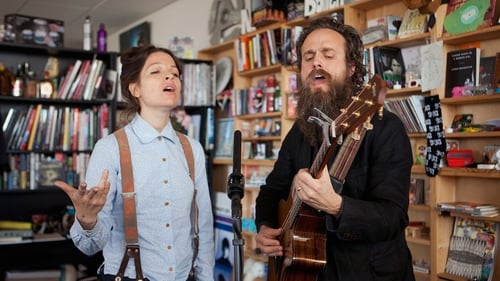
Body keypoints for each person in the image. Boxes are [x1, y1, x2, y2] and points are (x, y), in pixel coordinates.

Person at [254, 17, 415, 281]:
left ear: (352, 67)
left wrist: (337, 206)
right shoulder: (299, 131)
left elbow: (393, 217)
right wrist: (265, 228)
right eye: (308, 57)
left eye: (328, 55)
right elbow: (272, 191)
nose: (316, 62)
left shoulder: (386, 128)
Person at [55, 45, 214, 281]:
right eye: (156, 71)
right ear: (135, 88)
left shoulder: (193, 150)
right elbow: (90, 248)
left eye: (174, 73)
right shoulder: (110, 148)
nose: (170, 76)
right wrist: (86, 219)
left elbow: (203, 226)